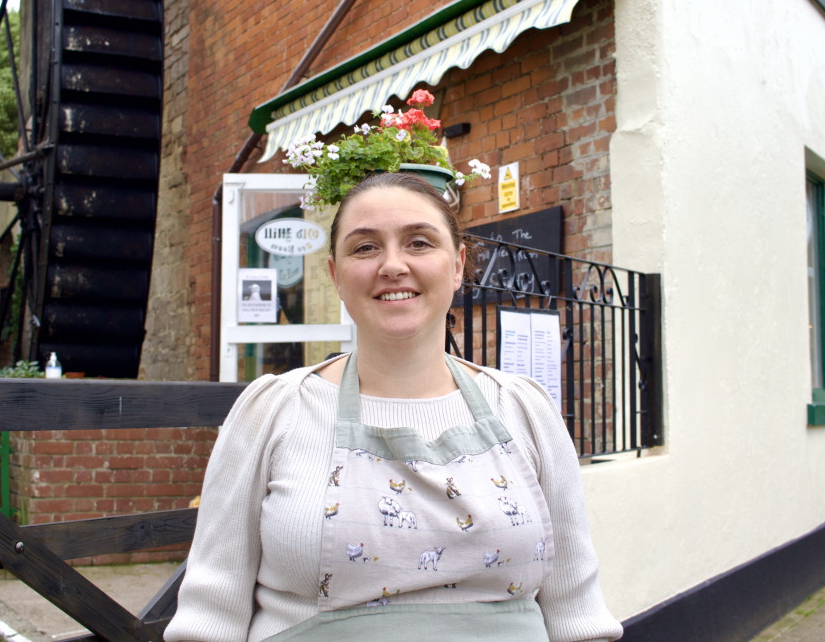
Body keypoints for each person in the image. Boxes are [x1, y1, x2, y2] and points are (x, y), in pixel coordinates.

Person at [164, 173, 623, 641]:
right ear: (335, 275)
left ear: (459, 264)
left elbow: (577, 616)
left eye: (419, 242)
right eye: (364, 248)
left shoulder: (523, 409)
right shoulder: (274, 411)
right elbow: (209, 619)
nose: (392, 265)